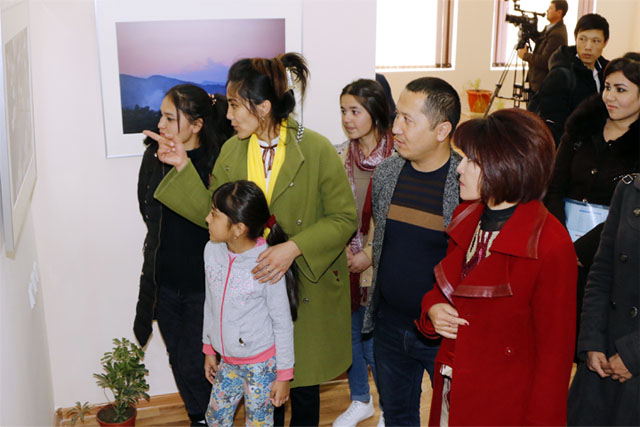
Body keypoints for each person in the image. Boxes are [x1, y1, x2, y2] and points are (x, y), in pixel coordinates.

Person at [148, 52, 358, 426]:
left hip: (306, 288)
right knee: (263, 398)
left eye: (234, 105)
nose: (227, 115)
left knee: (304, 389)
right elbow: (214, 219)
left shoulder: (316, 149)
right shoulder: (231, 151)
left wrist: (293, 248)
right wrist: (182, 165)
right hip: (250, 300)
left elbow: (344, 218)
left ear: (263, 107)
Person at [418, 108, 577, 426]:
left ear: (509, 165)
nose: (459, 169)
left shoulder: (550, 244)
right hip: (452, 388)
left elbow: (554, 362)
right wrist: (433, 309)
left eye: (472, 160)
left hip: (505, 406)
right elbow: (445, 290)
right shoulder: (466, 218)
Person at [361, 77, 462, 426]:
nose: (395, 128)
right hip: (389, 327)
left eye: (408, 119)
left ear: (441, 129)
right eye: (396, 117)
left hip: (442, 335)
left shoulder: (465, 183)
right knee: (399, 416)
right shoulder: (388, 173)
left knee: (453, 417)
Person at [133, 84, 234, 426]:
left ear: (196, 124)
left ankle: (213, 418)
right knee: (178, 358)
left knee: (197, 361)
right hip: (164, 279)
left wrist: (182, 169)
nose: (160, 124)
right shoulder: (152, 156)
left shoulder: (217, 160)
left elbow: (215, 221)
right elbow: (148, 211)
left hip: (202, 284)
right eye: (161, 115)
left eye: (169, 117)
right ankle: (199, 418)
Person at [544, 53, 640, 352]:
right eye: (607, 87)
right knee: (553, 338)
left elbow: (630, 210)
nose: (610, 96)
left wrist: (583, 250)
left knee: (592, 341)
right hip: (560, 244)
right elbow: (554, 187)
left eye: (621, 90)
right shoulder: (581, 128)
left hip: (613, 253)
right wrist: (560, 242)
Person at [202, 180, 296, 426]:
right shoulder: (211, 251)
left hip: (261, 365)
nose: (207, 219)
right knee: (215, 419)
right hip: (228, 362)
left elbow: (282, 322)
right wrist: (209, 348)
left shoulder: (267, 261)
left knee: (259, 424)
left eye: (214, 215)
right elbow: (210, 303)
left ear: (238, 228)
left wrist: (284, 375)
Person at [333, 79, 393, 427]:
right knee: (350, 337)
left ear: (375, 112)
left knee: (376, 342)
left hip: (381, 265)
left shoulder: (397, 159)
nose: (348, 118)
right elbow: (334, 212)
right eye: (343, 110)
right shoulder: (339, 154)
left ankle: (389, 407)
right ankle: (360, 400)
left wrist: (369, 253)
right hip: (345, 263)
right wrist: (345, 251)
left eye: (355, 111)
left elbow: (394, 217)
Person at [567, 174, 639, 426]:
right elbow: (601, 271)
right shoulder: (630, 188)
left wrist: (633, 355)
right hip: (604, 358)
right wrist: (591, 341)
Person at [530, 13, 610, 145]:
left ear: (605, 42)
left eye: (595, 41)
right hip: (567, 154)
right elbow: (551, 127)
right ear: (575, 38)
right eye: (582, 39)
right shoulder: (560, 75)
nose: (588, 47)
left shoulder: (607, 73)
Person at [517, 0, 568, 94]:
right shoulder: (551, 28)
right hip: (538, 84)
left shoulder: (557, 34)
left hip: (544, 86)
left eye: (550, 8)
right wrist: (531, 30)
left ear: (559, 12)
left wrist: (525, 55)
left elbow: (545, 61)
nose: (547, 11)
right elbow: (540, 40)